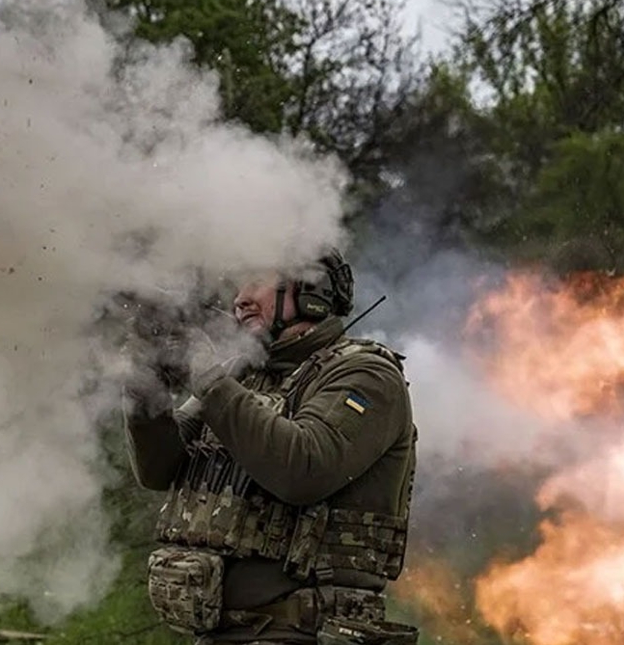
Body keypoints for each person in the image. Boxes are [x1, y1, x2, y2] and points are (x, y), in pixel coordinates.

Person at [122, 248, 418, 645]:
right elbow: (159, 469)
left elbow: (302, 470)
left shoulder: (367, 375)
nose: (240, 299)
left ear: (311, 289)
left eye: (256, 281)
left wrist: (205, 373)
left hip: (307, 634)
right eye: (237, 286)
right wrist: (145, 385)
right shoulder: (240, 376)